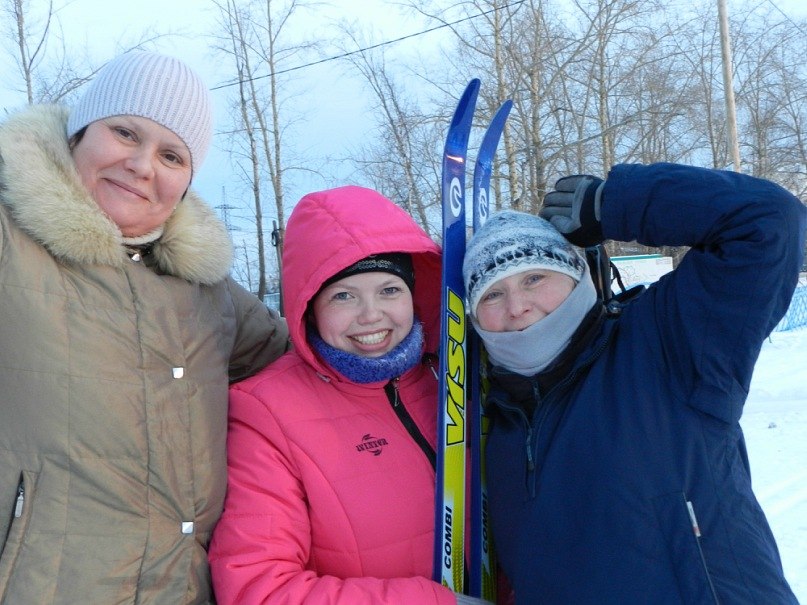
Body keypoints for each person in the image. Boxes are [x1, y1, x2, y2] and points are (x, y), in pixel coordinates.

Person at [0, 50, 288, 603]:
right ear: (79, 134)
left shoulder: (210, 292)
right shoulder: (13, 240)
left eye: (172, 155)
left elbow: (310, 361)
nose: (142, 165)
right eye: (126, 132)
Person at [462, 163, 805, 604]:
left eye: (534, 278)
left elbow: (769, 222)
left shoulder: (667, 343)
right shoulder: (491, 416)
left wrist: (618, 205)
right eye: (491, 293)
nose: (517, 306)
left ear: (577, 275)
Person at [209, 185, 489, 604]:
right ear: (309, 306)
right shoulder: (267, 411)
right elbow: (259, 587)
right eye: (344, 296)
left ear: (416, 292)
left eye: (389, 290)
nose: (371, 314)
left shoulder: (452, 376)